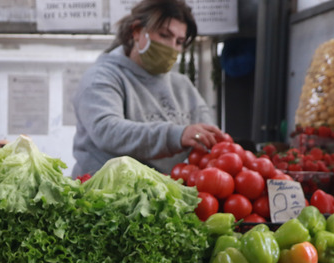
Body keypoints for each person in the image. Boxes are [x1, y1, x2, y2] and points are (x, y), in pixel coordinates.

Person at [71, 0, 228, 178]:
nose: (172, 47)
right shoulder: (102, 77)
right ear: (137, 31)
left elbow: (209, 136)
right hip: (103, 194)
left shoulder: (182, 86)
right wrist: (176, 135)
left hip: (163, 195)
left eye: (179, 41)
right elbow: (107, 131)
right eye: (164, 35)